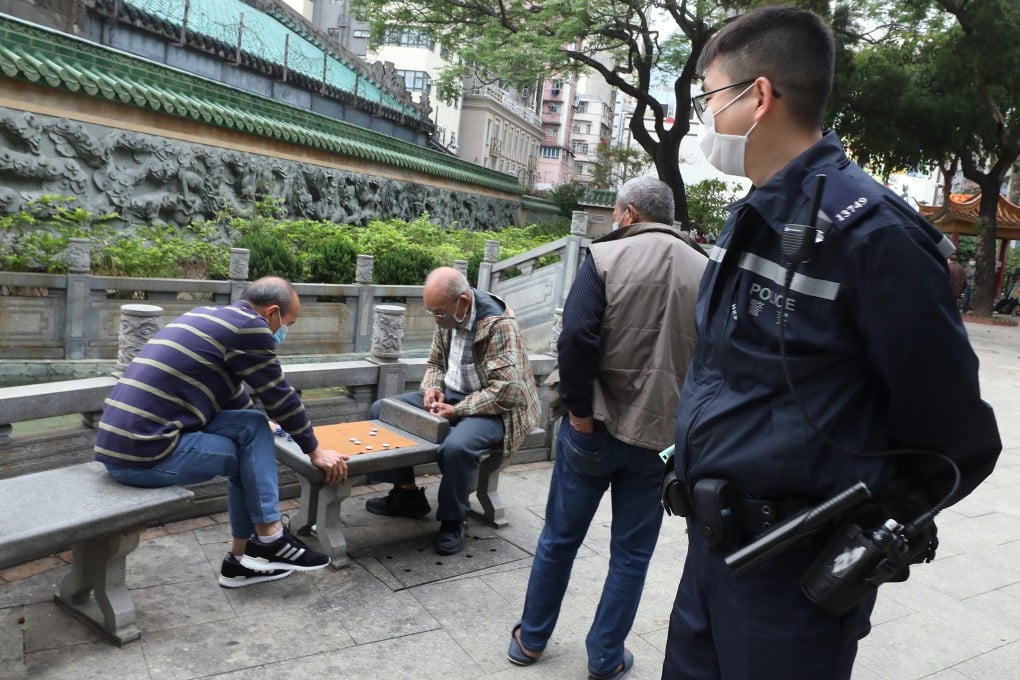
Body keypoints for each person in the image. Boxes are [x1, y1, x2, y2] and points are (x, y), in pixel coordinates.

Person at [662, 6, 1001, 680]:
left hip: (794, 575)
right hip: (712, 552)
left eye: (708, 99)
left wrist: (869, 526)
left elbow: (956, 436)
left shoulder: (872, 235)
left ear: (758, 96)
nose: (704, 121)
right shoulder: (754, 215)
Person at [506, 176, 706, 680]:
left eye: (616, 211)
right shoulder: (707, 270)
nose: (612, 219)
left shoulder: (605, 259)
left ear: (631, 214)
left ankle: (530, 639)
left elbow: (574, 334)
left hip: (593, 429)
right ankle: (605, 658)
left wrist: (578, 412)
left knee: (559, 538)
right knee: (632, 554)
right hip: (661, 441)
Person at [94, 277, 348, 588]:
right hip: (143, 453)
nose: (284, 332)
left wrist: (255, 420)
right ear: (272, 313)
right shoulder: (253, 328)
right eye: (288, 323)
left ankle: (240, 560)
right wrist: (315, 450)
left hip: (121, 440)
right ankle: (268, 540)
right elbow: (279, 396)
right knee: (249, 453)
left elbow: (228, 387)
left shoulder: (210, 316)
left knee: (253, 427)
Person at [365, 267, 540, 556]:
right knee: (382, 411)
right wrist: (434, 388)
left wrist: (457, 410)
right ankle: (407, 494)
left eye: (439, 312)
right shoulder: (448, 315)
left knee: (456, 448)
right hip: (455, 396)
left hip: (496, 409)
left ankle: (453, 519)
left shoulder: (499, 325)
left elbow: (507, 391)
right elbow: (435, 364)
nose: (436, 318)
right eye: (431, 311)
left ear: (463, 302)